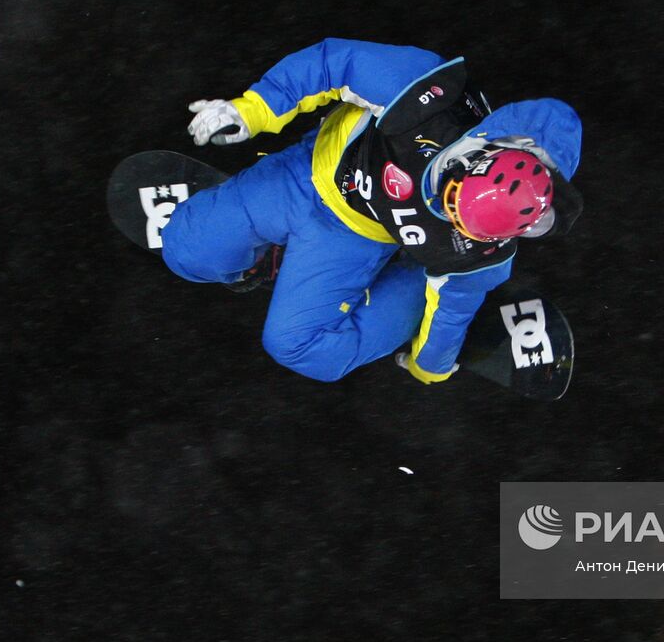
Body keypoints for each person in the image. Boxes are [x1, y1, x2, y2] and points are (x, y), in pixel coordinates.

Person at [159, 38, 582, 384]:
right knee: (183, 250)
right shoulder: (427, 98)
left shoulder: (481, 254)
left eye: (465, 226)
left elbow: (451, 310)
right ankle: (263, 257)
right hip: (302, 176)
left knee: (300, 350)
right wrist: (251, 110)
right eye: (452, 199)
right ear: (472, 159)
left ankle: (412, 293)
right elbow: (334, 64)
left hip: (354, 239)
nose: (449, 216)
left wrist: (429, 366)